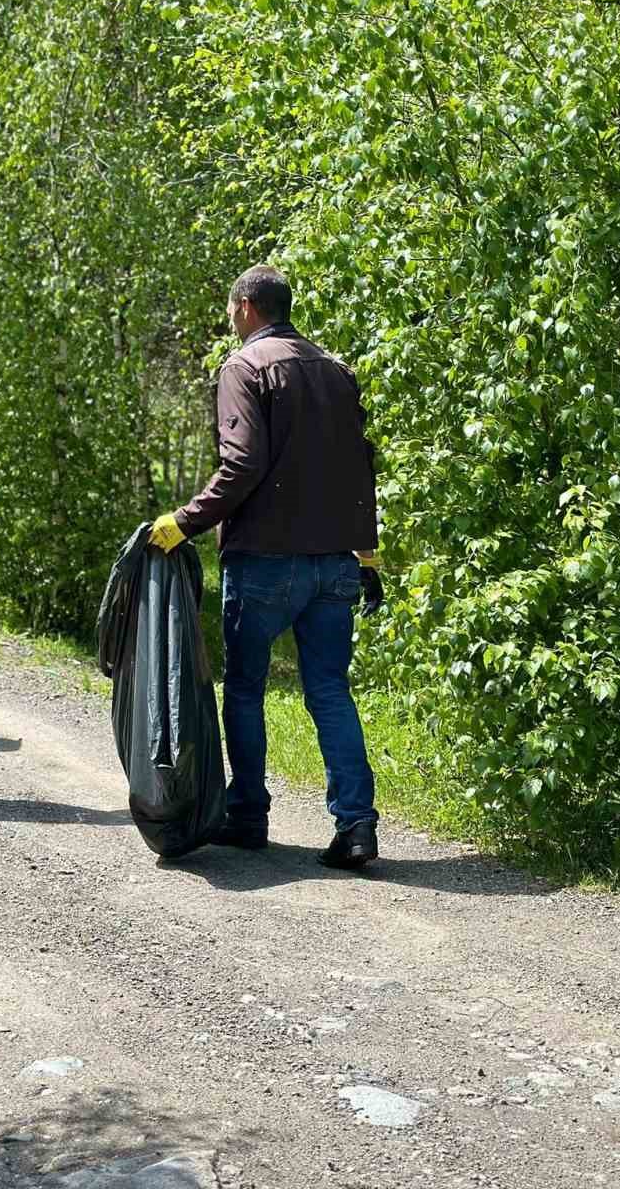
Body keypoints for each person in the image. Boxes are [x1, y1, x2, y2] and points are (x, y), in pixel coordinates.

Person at [148, 265, 385, 869]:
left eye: (231, 311)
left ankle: (248, 814)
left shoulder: (244, 367)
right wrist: (366, 553)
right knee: (331, 691)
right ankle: (356, 827)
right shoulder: (336, 370)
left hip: (264, 564)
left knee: (247, 689)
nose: (230, 320)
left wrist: (185, 522)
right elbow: (362, 466)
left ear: (248, 307)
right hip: (334, 562)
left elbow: (242, 463)